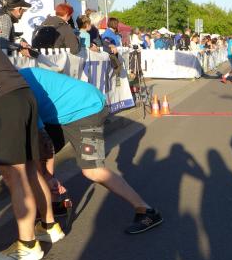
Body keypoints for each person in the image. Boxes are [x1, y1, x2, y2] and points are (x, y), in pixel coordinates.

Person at [19, 67, 163, 234]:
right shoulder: (11, 79)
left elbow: (42, 142)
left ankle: (147, 211)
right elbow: (43, 146)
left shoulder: (17, 93)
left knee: (92, 171)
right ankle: (55, 204)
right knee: (37, 159)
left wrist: (47, 176)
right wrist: (47, 176)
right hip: (63, 111)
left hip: (87, 109)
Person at [0, 30, 62, 260]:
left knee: (15, 176)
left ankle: (27, 245)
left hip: (2, 103)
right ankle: (49, 226)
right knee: (30, 170)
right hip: (21, 96)